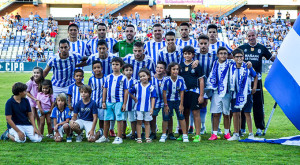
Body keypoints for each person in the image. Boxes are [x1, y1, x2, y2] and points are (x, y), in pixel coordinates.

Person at [238, 30, 275, 136]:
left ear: (256, 36)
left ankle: (259, 127)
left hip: (256, 80)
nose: (251, 38)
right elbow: (233, 56)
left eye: (252, 35)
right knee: (242, 102)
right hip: (244, 79)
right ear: (246, 37)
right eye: (249, 36)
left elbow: (272, 59)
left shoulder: (261, 48)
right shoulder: (242, 48)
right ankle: (242, 128)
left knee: (258, 104)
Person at [96, 57, 128, 144]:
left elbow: (126, 91)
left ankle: (119, 137)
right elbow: (105, 89)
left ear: (121, 66)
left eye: (117, 64)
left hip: (119, 101)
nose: (115, 66)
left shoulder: (123, 78)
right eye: (113, 64)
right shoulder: (108, 77)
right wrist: (103, 101)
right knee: (107, 119)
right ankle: (105, 136)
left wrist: (124, 104)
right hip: (108, 101)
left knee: (119, 118)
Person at [228, 48, 258, 141]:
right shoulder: (231, 66)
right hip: (235, 95)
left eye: (241, 56)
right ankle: (236, 133)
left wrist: (254, 87)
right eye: (237, 57)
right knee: (235, 113)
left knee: (247, 113)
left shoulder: (247, 66)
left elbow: (255, 76)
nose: (239, 58)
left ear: (243, 57)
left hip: (246, 94)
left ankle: (251, 133)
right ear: (233, 58)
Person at [206, 47, 233, 140]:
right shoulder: (214, 63)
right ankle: (214, 133)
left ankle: (227, 133)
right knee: (216, 113)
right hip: (216, 92)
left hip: (227, 91)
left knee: (226, 113)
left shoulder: (230, 63)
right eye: (221, 53)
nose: (223, 55)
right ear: (217, 55)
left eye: (225, 53)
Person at [180, 46, 204, 142]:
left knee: (195, 113)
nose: (187, 55)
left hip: (194, 92)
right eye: (185, 53)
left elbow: (201, 80)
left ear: (193, 55)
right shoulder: (180, 66)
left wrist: (201, 95)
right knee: (184, 113)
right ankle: (184, 134)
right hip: (183, 93)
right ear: (183, 55)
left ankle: (197, 134)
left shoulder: (196, 65)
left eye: (189, 53)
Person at [159, 62, 189, 143]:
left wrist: (181, 104)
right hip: (168, 101)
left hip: (177, 101)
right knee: (165, 117)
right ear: (170, 70)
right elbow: (164, 93)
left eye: (177, 69)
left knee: (181, 117)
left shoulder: (181, 79)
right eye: (173, 69)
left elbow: (182, 92)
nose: (175, 71)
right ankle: (164, 134)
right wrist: (165, 105)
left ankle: (185, 135)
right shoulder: (166, 79)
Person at [129, 68, 156, 143]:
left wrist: (152, 108)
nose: (142, 78)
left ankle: (147, 137)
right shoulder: (137, 86)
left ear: (148, 76)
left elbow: (153, 98)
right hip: (138, 108)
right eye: (140, 77)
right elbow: (129, 92)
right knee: (139, 122)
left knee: (147, 122)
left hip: (147, 108)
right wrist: (134, 98)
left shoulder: (151, 87)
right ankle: (139, 137)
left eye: (144, 76)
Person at [150, 61, 171, 140]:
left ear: (164, 70)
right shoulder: (151, 79)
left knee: (166, 117)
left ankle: (164, 133)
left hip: (165, 101)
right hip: (155, 101)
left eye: (161, 68)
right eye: (157, 67)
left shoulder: (167, 79)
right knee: (153, 116)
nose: (159, 69)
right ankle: (153, 132)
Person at [88, 61, 106, 138]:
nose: (96, 69)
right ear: (92, 69)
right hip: (93, 103)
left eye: (98, 67)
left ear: (101, 68)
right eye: (94, 68)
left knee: (102, 119)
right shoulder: (91, 79)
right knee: (93, 118)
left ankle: (102, 131)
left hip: (102, 103)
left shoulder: (106, 78)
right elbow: (89, 90)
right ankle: (93, 131)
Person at [122, 64, 137, 140]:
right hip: (123, 103)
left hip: (132, 104)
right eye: (126, 70)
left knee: (132, 119)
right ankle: (123, 133)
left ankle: (133, 133)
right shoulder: (121, 80)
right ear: (123, 71)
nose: (128, 72)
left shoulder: (135, 81)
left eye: (130, 70)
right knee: (123, 119)